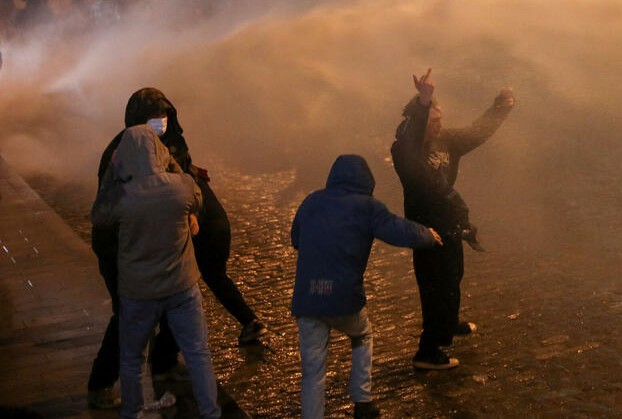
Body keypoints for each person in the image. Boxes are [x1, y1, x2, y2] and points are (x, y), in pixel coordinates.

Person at [87, 88, 265, 406]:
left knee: (173, 300)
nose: (161, 123)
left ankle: (165, 365)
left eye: (164, 116)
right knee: (126, 315)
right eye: (153, 118)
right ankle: (100, 385)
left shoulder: (172, 145)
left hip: (162, 243)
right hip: (123, 248)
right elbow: (104, 214)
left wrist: (191, 213)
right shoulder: (120, 153)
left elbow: (188, 187)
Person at [292, 154, 441, 419]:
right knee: (362, 335)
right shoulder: (368, 207)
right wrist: (428, 235)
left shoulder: (312, 201)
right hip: (343, 297)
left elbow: (296, 239)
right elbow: (398, 230)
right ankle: (362, 401)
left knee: (312, 370)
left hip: (309, 296)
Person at [91, 125, 221, 419]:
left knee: (132, 359)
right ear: (158, 152)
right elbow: (197, 197)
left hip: (139, 293)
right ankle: (210, 413)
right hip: (182, 288)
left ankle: (132, 413)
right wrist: (170, 162)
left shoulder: (123, 196)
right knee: (198, 353)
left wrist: (113, 172)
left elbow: (98, 216)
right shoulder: (181, 188)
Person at [391, 69, 514, 369]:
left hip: (450, 222)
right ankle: (428, 351)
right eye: (433, 122)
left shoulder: (445, 141)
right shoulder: (405, 150)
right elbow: (410, 133)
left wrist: (500, 107)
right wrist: (423, 101)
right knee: (434, 285)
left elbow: (477, 132)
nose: (438, 126)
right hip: (425, 227)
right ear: (417, 123)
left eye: (439, 120)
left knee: (452, 277)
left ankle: (447, 323)